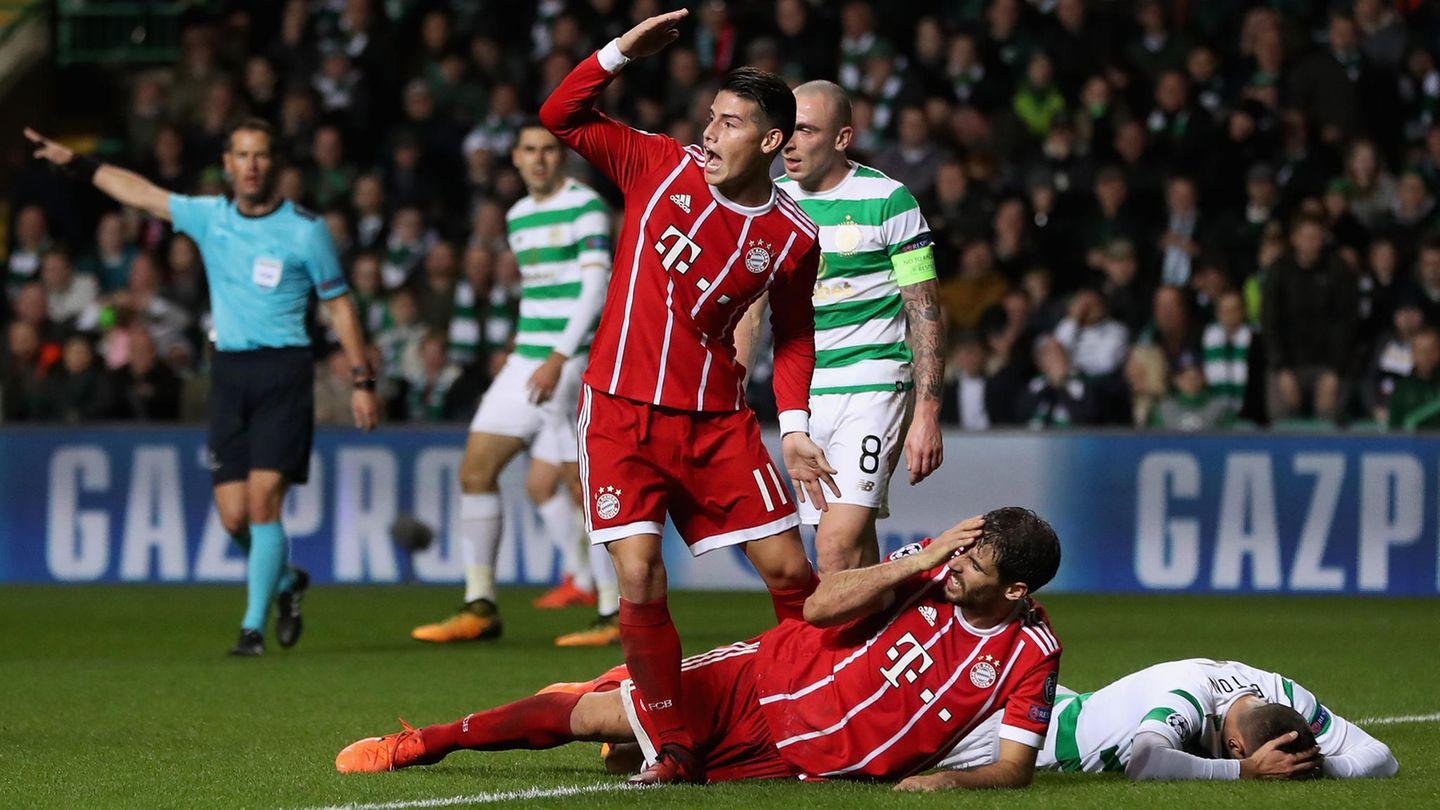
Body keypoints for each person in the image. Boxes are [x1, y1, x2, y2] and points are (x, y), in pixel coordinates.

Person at [537, 9, 836, 784]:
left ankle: (816, 714)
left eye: (730, 121)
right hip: (620, 410)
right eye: (710, 116)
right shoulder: (655, 164)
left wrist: (794, 426)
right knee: (637, 576)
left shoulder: (794, 235)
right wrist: (619, 51)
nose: (710, 131)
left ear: (770, 142)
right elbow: (558, 114)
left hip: (716, 422)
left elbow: (797, 336)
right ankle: (672, 748)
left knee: (790, 574)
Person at [335, 508, 1063, 792]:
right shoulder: (930, 567)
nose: (957, 568)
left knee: (641, 755)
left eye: (974, 567)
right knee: (595, 719)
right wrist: (919, 560)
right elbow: (816, 606)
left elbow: (1012, 767)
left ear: (1016, 588)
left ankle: (632, 716)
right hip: (765, 679)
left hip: (801, 763)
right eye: (960, 556)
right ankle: (423, 743)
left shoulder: (1033, 650)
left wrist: (952, 784)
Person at [25, 120, 380, 656]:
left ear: (274, 164)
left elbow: (339, 305)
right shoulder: (210, 216)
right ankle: (285, 582)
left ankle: (252, 629)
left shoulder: (306, 230)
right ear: (229, 163)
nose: (252, 165)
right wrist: (74, 161)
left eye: (261, 155)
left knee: (264, 502)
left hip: (284, 371)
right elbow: (140, 193)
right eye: (242, 155)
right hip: (230, 374)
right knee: (233, 516)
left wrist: (361, 379)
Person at [409, 122, 619, 647]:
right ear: (517, 161)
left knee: (583, 486)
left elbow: (596, 288)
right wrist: (529, 352)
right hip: (529, 360)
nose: (540, 159)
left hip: (572, 361)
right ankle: (480, 606)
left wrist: (557, 356)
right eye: (529, 151)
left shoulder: (585, 206)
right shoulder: (518, 216)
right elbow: (541, 294)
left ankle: (614, 613)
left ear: (560, 158)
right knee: (475, 470)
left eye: (549, 150)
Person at [740, 79, 944, 573]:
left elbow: (926, 310)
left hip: (874, 385)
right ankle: (877, 645)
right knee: (850, 550)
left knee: (832, 546)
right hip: (803, 395)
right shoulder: (770, 203)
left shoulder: (889, 201)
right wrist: (734, 381)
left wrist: (928, 412)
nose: (788, 141)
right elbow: (751, 306)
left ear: (842, 137)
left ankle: (834, 653)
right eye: (786, 127)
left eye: (806, 130)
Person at [1015, 658, 1397, 780]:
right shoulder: (1191, 695)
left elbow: (1383, 755)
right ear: (1236, 747)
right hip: (1032, 734)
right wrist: (1247, 770)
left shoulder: (1280, 692)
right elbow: (1145, 759)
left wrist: (1318, 765)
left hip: (1069, 702)